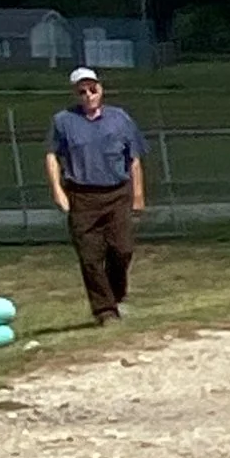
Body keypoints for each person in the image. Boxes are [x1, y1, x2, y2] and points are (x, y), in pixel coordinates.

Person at [43, 65, 146, 327]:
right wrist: (58, 191)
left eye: (93, 89)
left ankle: (116, 295)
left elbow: (133, 159)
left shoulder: (120, 118)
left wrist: (138, 194)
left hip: (116, 192)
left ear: (101, 89)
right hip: (82, 195)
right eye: (82, 91)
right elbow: (52, 156)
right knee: (90, 257)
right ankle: (104, 311)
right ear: (75, 94)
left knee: (122, 250)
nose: (88, 95)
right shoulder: (63, 121)